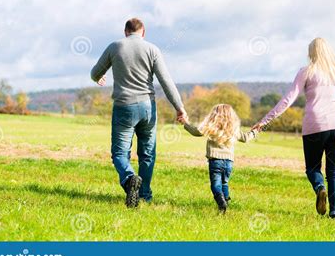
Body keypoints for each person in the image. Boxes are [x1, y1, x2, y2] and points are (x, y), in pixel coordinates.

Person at [252, 37, 335, 219]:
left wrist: (265, 121)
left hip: (314, 126)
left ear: (311, 53)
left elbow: (288, 99)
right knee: (333, 172)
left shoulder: (306, 72)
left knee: (313, 169)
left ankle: (319, 188)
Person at [91, 17, 187, 208]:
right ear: (143, 32)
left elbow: (95, 72)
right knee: (148, 153)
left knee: (119, 152)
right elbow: (166, 81)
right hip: (147, 108)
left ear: (125, 32)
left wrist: (98, 78)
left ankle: (129, 179)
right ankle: (145, 195)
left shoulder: (114, 47)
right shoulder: (152, 49)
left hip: (123, 106)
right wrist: (179, 107)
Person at [179, 104, 257, 213]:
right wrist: (255, 131)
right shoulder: (234, 129)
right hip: (229, 162)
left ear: (214, 115)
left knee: (215, 185)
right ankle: (225, 202)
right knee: (224, 183)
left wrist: (185, 123)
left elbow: (195, 131)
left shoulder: (211, 127)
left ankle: (221, 203)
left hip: (215, 160)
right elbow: (246, 138)